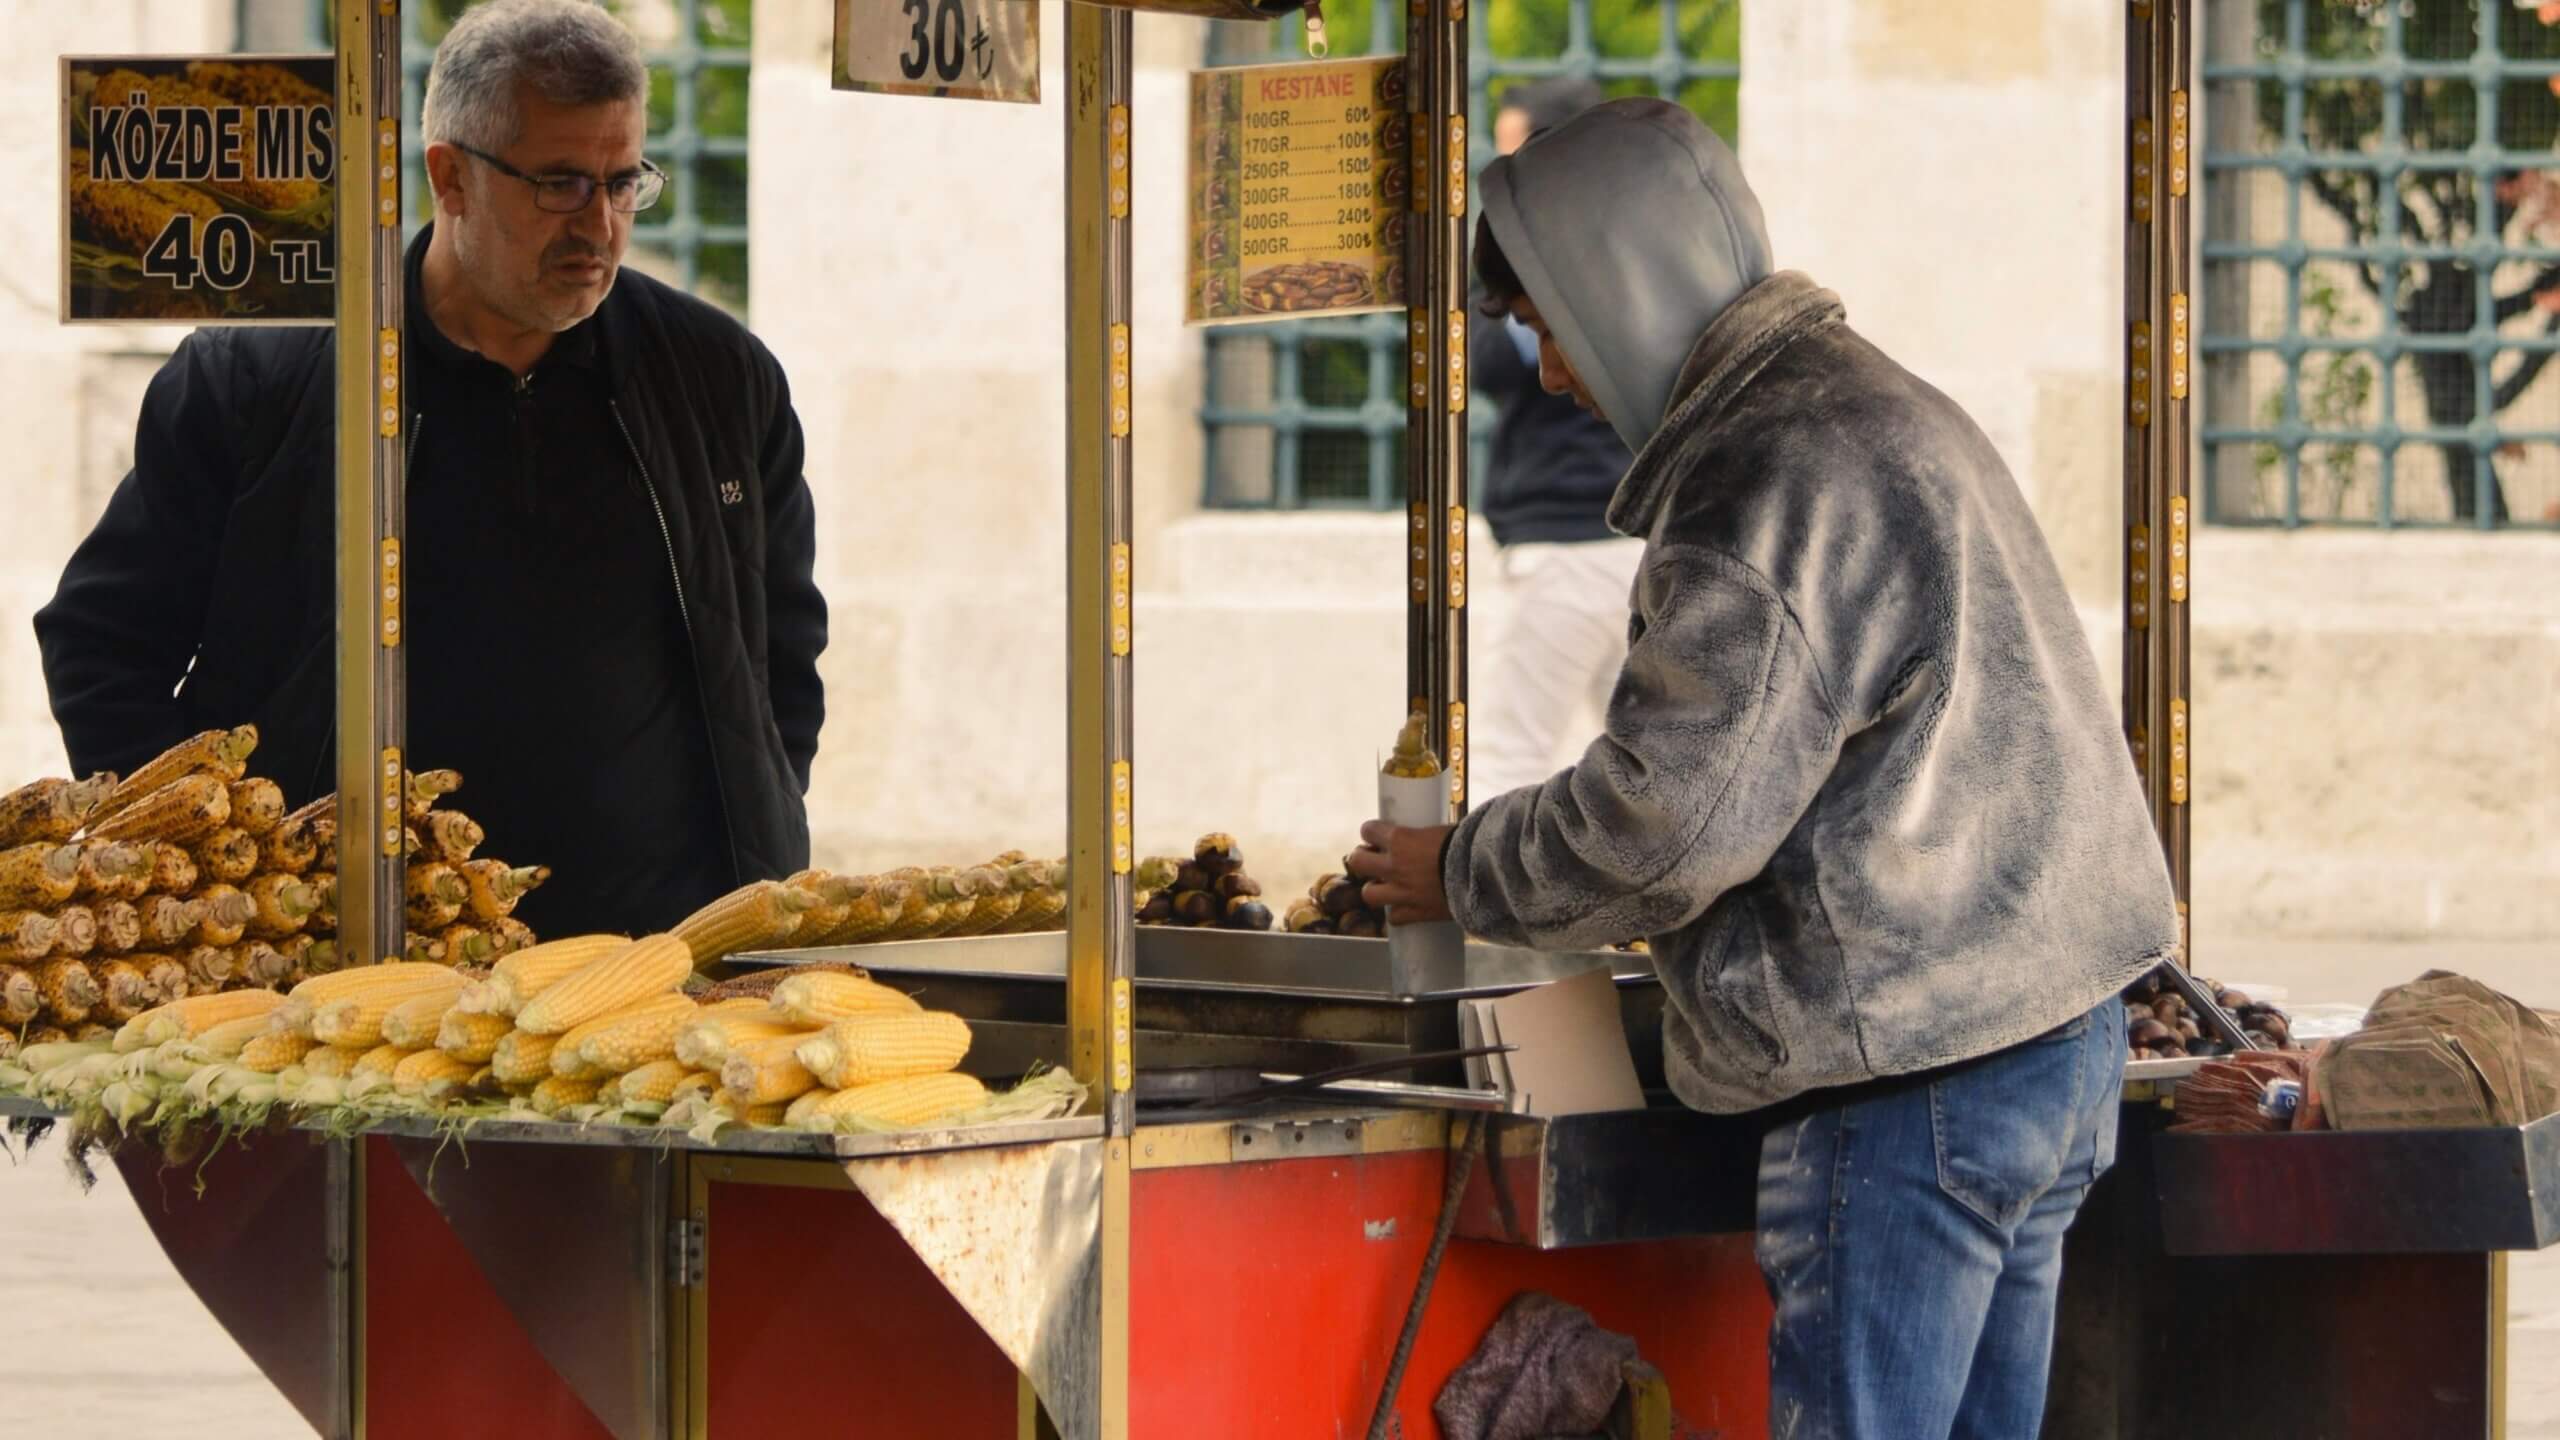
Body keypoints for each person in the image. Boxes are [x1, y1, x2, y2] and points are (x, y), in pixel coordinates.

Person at [1346, 99, 2177, 1438]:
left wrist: (1462, 867)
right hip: (2048, 1038)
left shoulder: (1768, 474)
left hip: (1914, 1075)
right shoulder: (1872, 402)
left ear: (1624, 289)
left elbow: (1668, 825)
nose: (1552, 374)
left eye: (1549, 329)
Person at [35, 0, 826, 939]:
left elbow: (781, 662)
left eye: (623, 183)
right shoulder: (259, 377)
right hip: (340, 969)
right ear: (449, 177)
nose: (600, 229)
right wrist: (203, 880)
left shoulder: (719, 378)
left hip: (653, 972)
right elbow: (103, 646)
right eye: (562, 184)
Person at [1467, 77, 1639, 803]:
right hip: (1627, 538)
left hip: (1570, 541)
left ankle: (1475, 911)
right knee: (1643, 763)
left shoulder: (1557, 253)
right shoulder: (1634, 242)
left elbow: (1493, 369)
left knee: (1507, 755)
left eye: (1517, 155)